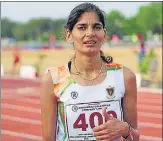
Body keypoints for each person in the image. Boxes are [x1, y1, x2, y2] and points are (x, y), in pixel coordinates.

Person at [40, 3, 140, 141]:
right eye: (82, 27)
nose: (90, 33)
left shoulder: (124, 76)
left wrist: (125, 129)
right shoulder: (53, 79)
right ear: (69, 35)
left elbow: (134, 136)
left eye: (97, 27)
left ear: (104, 34)